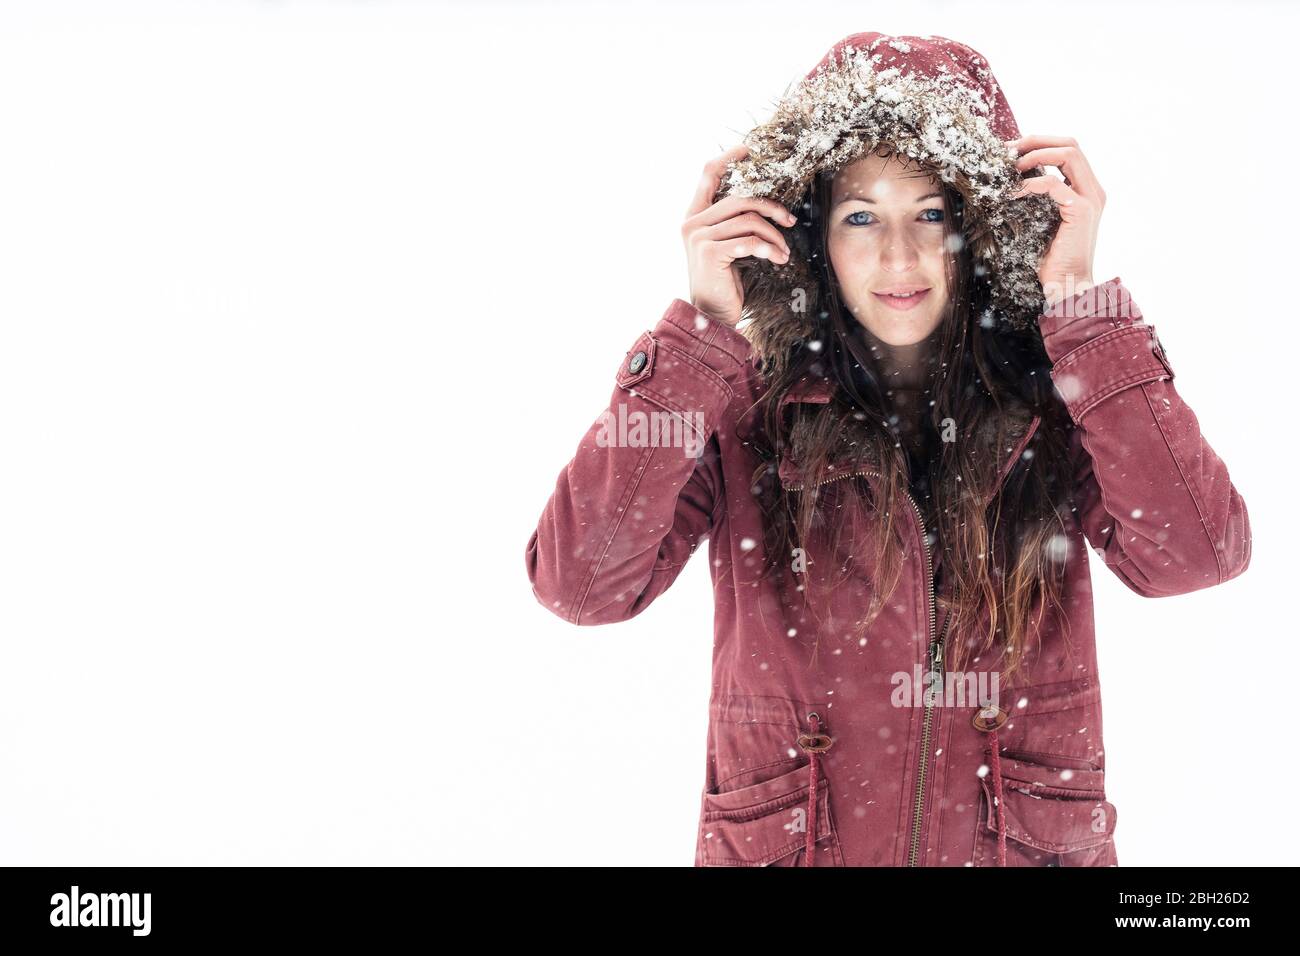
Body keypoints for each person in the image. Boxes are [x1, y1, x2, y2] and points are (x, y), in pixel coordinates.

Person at [525, 32, 1251, 866]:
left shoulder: (1063, 393)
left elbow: (1198, 554)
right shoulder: (736, 402)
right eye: (860, 216)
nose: (898, 257)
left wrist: (1080, 305)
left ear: (980, 227)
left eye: (932, 214)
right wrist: (703, 329)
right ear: (809, 236)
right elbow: (580, 586)